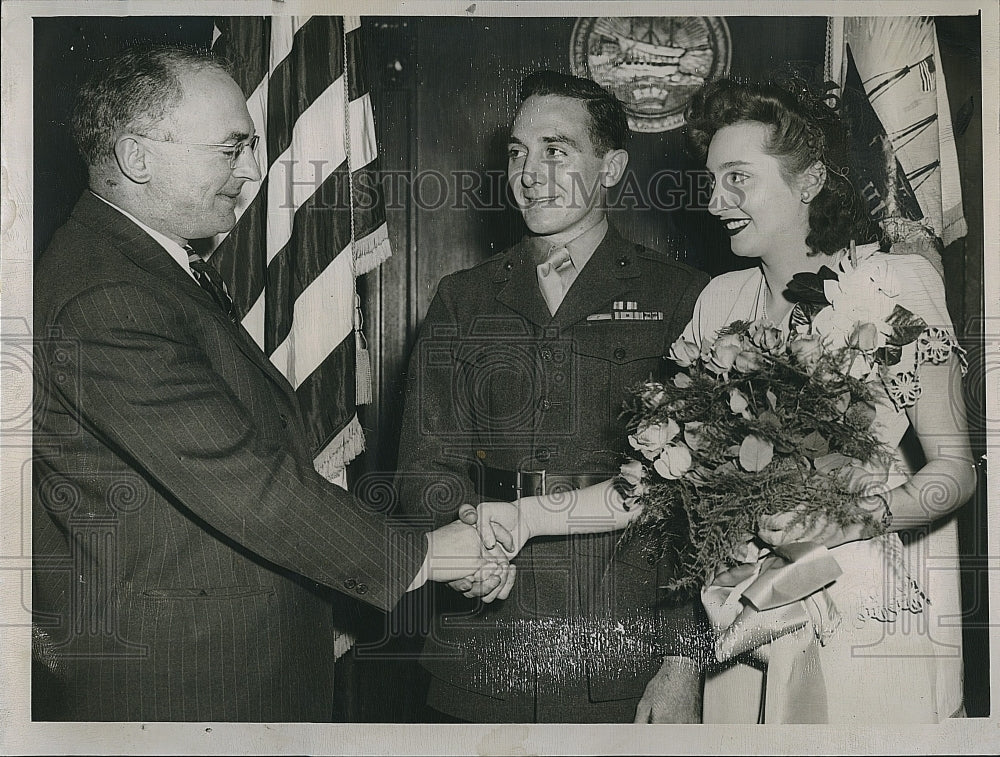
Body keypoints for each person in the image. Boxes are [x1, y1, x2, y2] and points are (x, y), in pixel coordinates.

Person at [467, 76, 977, 724]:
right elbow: (651, 485)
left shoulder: (892, 285)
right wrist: (528, 518)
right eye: (713, 181)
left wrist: (855, 516)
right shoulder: (719, 301)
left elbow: (954, 473)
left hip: (860, 622)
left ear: (811, 179)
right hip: (739, 629)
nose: (715, 202)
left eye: (738, 179)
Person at [31, 44, 510, 723]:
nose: (253, 172)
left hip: (221, 666)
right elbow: (241, 480)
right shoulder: (107, 296)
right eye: (231, 150)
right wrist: (423, 554)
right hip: (186, 682)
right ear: (138, 157)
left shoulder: (142, 267)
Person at [394, 70, 710, 723]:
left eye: (556, 151)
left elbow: (697, 503)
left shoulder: (681, 296)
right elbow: (424, 464)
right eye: (517, 152)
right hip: (485, 637)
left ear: (612, 165)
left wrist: (683, 659)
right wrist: (464, 544)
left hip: (622, 639)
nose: (529, 173)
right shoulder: (464, 297)